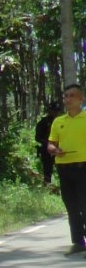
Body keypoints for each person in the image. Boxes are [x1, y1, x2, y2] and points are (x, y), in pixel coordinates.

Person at [47, 84, 86, 255]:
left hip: (83, 167)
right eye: (66, 96)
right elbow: (51, 143)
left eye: (72, 96)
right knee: (71, 206)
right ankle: (78, 242)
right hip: (64, 168)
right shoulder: (58, 121)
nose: (68, 99)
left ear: (81, 99)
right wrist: (54, 150)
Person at [36, 102, 62, 187]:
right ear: (49, 111)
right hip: (47, 150)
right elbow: (37, 137)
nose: (56, 113)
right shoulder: (43, 122)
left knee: (62, 169)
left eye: (57, 111)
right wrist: (48, 143)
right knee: (47, 169)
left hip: (60, 149)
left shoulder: (62, 122)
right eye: (54, 111)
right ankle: (47, 186)